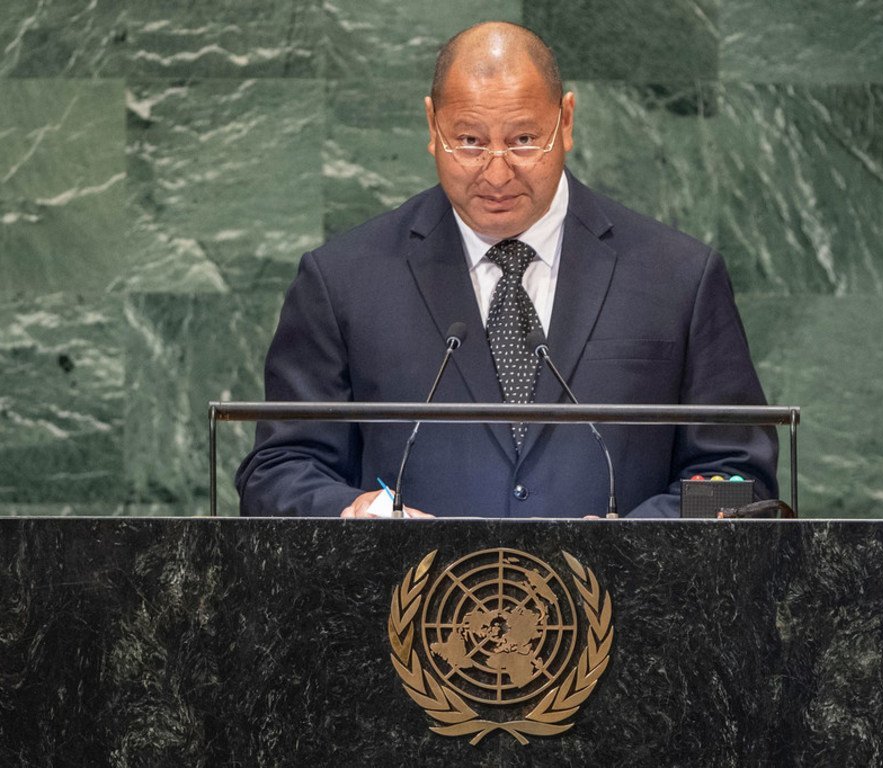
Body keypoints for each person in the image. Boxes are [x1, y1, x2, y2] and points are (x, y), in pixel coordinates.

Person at [235, 21, 778, 519]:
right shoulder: (343, 281)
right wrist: (357, 513)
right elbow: (279, 469)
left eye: (523, 140)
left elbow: (738, 476)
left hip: (625, 616)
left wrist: (630, 546)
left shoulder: (677, 277)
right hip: (408, 615)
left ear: (566, 121)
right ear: (431, 125)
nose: (496, 173)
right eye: (469, 141)